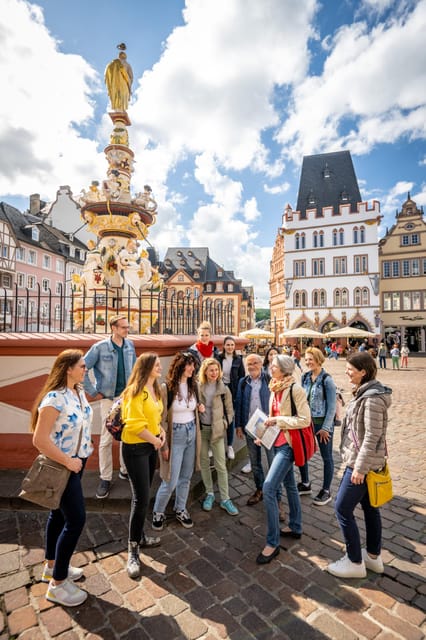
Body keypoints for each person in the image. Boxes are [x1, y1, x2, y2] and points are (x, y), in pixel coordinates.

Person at [31, 349, 93, 607]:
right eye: (82, 365)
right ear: (68, 368)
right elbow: (39, 439)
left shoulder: (78, 392)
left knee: (58, 514)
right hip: (64, 465)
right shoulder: (53, 399)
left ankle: (52, 565)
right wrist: (68, 461)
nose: (85, 369)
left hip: (78, 460)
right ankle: (57, 585)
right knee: (76, 520)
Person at [326, 353, 392, 578]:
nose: (347, 372)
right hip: (362, 462)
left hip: (359, 463)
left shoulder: (372, 398)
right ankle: (373, 557)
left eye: (350, 368)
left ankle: (354, 562)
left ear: (363, 371)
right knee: (370, 508)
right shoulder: (365, 393)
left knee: (342, 508)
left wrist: (359, 469)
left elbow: (372, 436)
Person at [256, 355, 311, 565]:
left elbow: (304, 420)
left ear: (285, 369)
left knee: (269, 488)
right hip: (277, 443)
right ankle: (296, 526)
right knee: (290, 486)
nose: (271, 367)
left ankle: (272, 543)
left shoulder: (294, 389)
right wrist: (264, 436)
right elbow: (272, 419)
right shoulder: (275, 387)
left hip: (288, 446)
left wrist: (277, 420)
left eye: (274, 365)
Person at [121, 353, 166, 579]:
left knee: (145, 495)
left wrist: (161, 431)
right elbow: (135, 425)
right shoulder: (134, 392)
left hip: (149, 447)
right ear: (146, 367)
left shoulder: (155, 389)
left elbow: (154, 417)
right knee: (140, 498)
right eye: (156, 364)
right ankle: (132, 549)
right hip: (136, 448)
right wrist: (155, 439)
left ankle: (140, 536)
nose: (160, 367)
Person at [83, 314, 136, 499]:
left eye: (128, 327)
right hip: (108, 399)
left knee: (126, 435)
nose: (127, 330)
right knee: (106, 439)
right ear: (113, 328)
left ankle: (124, 470)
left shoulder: (130, 345)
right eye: (123, 327)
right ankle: (105, 478)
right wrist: (92, 391)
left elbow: (135, 368)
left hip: (127, 398)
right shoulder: (99, 347)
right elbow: (82, 368)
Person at [152, 352, 203, 531]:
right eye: (189, 365)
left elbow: (195, 407)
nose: (192, 368)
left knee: (186, 476)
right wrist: (164, 445)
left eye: (193, 365)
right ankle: (158, 511)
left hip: (191, 432)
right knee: (170, 479)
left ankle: (180, 509)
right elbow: (161, 419)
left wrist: (199, 407)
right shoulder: (166, 388)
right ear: (180, 366)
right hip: (175, 435)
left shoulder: (193, 385)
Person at [234, 354, 286, 521]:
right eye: (249, 364)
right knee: (255, 462)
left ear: (261, 363)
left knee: (273, 463)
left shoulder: (269, 379)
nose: (252, 366)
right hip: (251, 428)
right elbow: (239, 404)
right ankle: (259, 490)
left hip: (269, 427)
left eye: (255, 363)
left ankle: (277, 500)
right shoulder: (243, 383)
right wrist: (238, 425)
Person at [197, 358, 239, 516]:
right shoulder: (198, 387)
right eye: (211, 370)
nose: (214, 373)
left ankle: (225, 499)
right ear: (205, 371)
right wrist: (197, 408)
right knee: (204, 463)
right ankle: (209, 493)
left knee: (221, 465)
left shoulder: (224, 389)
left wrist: (224, 424)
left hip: (217, 431)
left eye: (216, 370)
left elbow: (230, 411)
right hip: (202, 430)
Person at [297, 347, 337, 505]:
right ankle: (306, 483)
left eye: (310, 359)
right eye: (306, 359)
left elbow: (332, 407)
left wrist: (326, 428)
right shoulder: (305, 377)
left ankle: (326, 490)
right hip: (307, 422)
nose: (307, 362)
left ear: (319, 359)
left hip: (322, 425)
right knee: (303, 452)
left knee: (327, 457)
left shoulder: (327, 379)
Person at [217, 336, 245, 460]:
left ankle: (229, 446)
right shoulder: (218, 358)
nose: (230, 347)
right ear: (223, 346)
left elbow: (242, 377)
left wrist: (240, 393)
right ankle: (215, 445)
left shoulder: (238, 359)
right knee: (217, 416)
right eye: (227, 345)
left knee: (230, 418)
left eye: (232, 345)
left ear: (234, 346)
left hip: (232, 391)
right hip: (219, 390)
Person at [104, 44, 133, 111]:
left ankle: (119, 110)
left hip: (117, 85)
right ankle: (119, 110)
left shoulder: (113, 63)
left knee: (119, 99)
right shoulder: (118, 63)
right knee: (120, 99)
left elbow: (107, 74)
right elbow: (131, 77)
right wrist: (129, 85)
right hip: (121, 85)